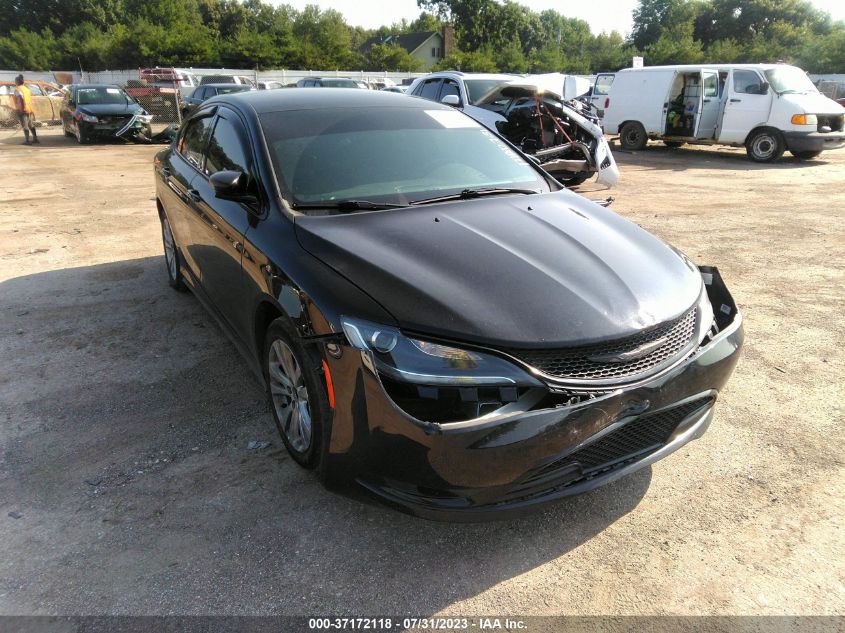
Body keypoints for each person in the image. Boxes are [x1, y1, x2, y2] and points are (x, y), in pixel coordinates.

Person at [13, 75, 38, 145]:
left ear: (17, 82)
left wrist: (22, 108)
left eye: (15, 81)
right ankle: (35, 138)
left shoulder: (17, 89)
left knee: (25, 125)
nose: (15, 82)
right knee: (30, 124)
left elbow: (21, 98)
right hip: (29, 109)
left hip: (22, 109)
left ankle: (27, 141)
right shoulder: (26, 89)